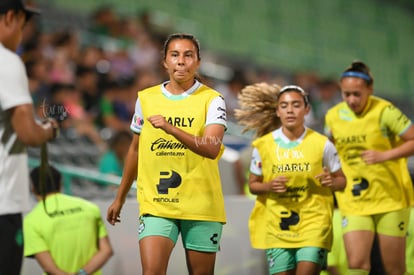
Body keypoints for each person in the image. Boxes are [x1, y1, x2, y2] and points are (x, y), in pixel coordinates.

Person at [106, 33, 227, 275]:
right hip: (157, 203)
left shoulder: (213, 100)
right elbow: (135, 149)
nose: (181, 61)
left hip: (201, 204)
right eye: (175, 55)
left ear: (198, 62)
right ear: (165, 61)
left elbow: (212, 147)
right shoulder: (146, 98)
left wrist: (170, 128)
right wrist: (120, 197)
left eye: (188, 55)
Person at [235, 83, 346, 274]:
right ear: (278, 111)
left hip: (314, 223)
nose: (290, 110)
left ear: (307, 109)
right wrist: (269, 185)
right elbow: (253, 185)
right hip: (278, 226)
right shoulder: (263, 146)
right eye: (285, 106)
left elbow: (342, 181)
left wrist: (332, 182)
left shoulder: (323, 144)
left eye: (296, 105)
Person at [324, 60, 414, 275]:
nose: (352, 100)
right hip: (354, 199)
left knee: (394, 268)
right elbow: (331, 149)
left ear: (370, 89)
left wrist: (385, 155)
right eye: (347, 94)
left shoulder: (386, 111)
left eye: (357, 94)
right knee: (356, 263)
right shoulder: (333, 116)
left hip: (389, 198)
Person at [0, 1, 59, 274]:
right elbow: (27, 132)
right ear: (10, 17)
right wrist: (48, 130)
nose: (21, 35)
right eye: (22, 27)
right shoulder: (7, 61)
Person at [24, 165, 113, 275]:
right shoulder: (90, 208)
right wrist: (81, 273)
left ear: (32, 188)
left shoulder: (31, 221)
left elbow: (49, 267)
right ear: (60, 183)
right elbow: (106, 250)